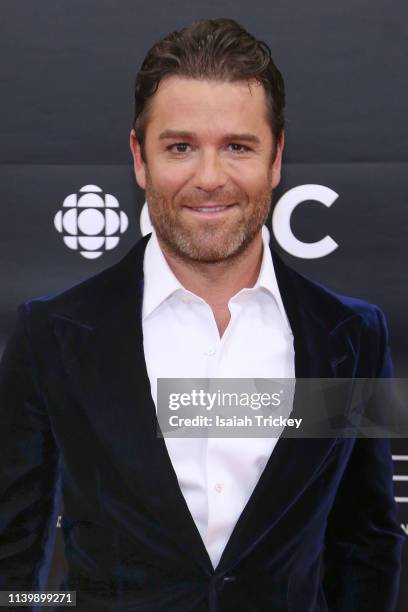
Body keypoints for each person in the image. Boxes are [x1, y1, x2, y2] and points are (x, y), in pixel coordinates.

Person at [0, 17, 404, 612]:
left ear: (276, 158)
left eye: (237, 147)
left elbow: (367, 543)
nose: (209, 179)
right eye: (180, 147)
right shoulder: (52, 335)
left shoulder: (353, 336)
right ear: (140, 159)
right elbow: (13, 552)